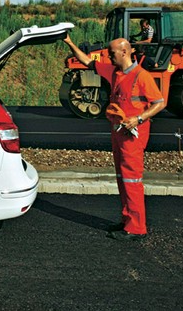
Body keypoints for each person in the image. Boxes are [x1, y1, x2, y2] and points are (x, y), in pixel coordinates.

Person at [63, 34, 166, 241]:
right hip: (119, 132)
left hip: (132, 136)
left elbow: (159, 102)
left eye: (112, 54)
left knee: (131, 180)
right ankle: (127, 220)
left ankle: (136, 228)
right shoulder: (114, 72)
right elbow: (87, 61)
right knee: (123, 179)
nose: (109, 57)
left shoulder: (141, 76)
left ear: (125, 52)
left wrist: (138, 118)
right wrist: (69, 42)